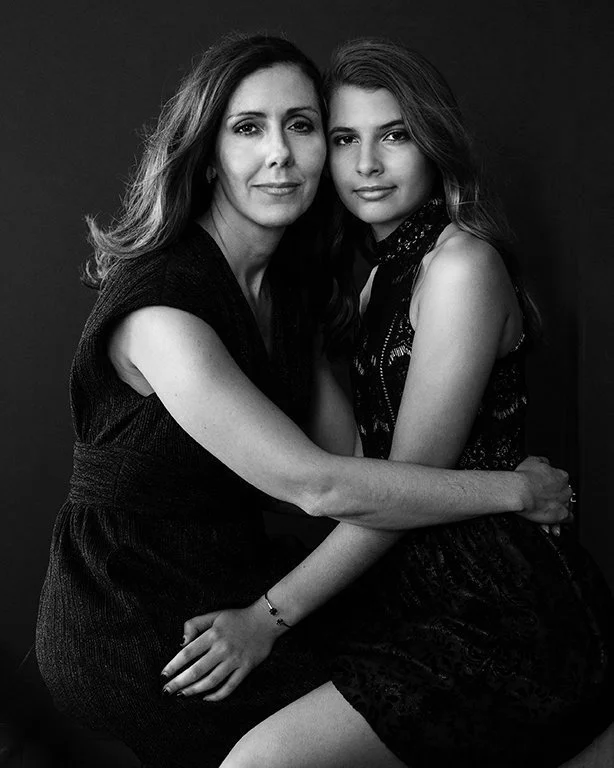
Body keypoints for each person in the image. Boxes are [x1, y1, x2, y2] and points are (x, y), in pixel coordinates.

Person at [35, 34, 570, 768]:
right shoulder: (164, 311)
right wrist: (514, 490)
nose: (280, 153)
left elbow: (348, 459)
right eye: (248, 128)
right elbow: (317, 486)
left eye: (303, 125)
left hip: (230, 579)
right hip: (137, 617)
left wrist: (274, 609)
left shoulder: (291, 291)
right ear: (207, 150)